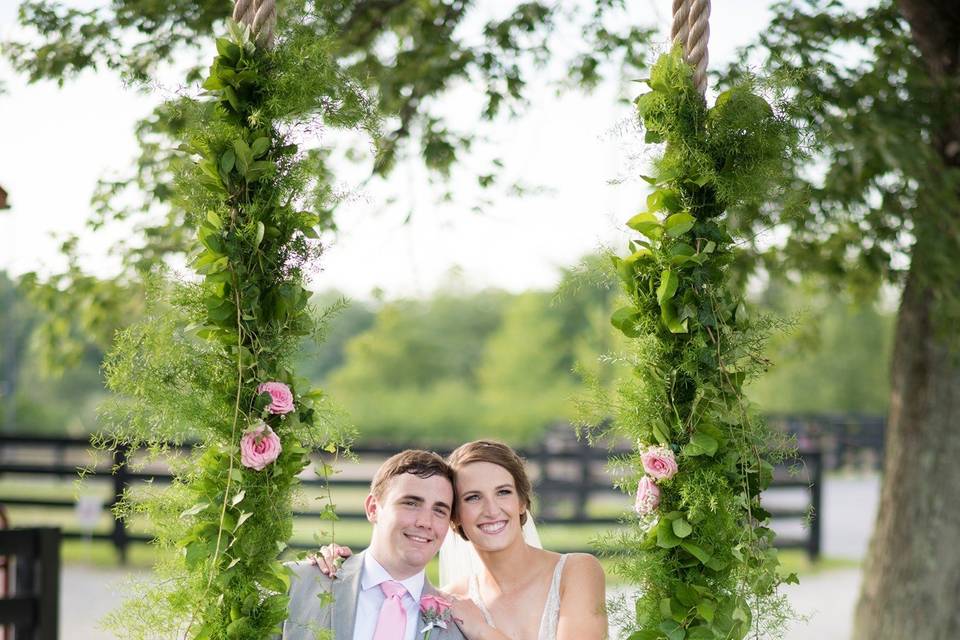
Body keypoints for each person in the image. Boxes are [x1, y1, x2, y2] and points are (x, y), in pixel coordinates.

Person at [314, 440, 607, 640]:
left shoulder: (576, 572)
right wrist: (343, 567)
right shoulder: (445, 603)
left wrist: (481, 630)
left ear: (522, 502)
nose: (492, 510)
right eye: (473, 497)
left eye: (503, 492)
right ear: (454, 516)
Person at [281, 449, 466, 640]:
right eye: (411, 503)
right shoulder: (297, 584)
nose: (425, 522)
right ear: (373, 508)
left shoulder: (458, 625)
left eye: (439, 510)